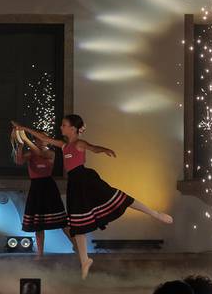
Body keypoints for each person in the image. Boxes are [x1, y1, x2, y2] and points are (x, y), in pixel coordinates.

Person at [12, 115, 173, 279]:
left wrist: (104, 149)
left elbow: (93, 148)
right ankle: (85, 261)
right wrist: (24, 129)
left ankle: (155, 213)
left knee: (118, 197)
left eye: (64, 125)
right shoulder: (63, 145)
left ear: (73, 129)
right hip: (74, 185)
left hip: (86, 179)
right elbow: (44, 138)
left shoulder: (78, 144)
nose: (61, 127)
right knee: (77, 223)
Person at [12, 129, 74, 256]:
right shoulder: (31, 153)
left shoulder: (50, 153)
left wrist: (25, 139)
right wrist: (20, 145)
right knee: (38, 223)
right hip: (36, 188)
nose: (44, 140)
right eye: (40, 138)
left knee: (62, 221)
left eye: (45, 138)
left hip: (49, 187)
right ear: (36, 140)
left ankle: (77, 246)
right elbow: (19, 161)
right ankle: (40, 254)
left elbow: (40, 153)